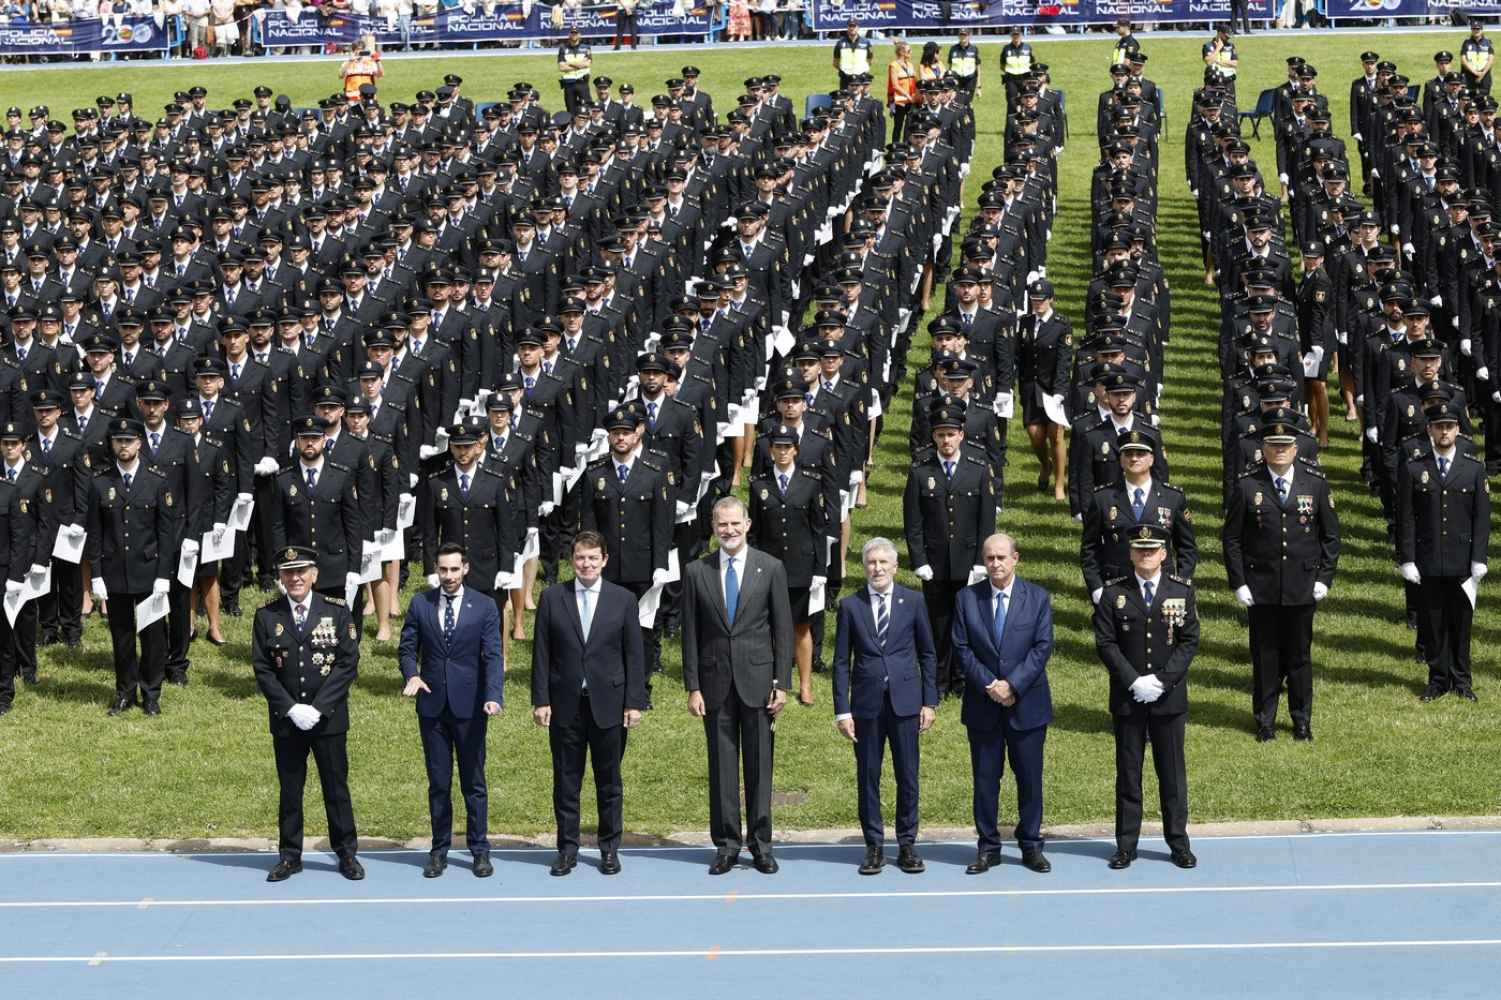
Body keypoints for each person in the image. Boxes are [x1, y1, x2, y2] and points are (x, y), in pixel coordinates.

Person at [682, 496, 794, 875]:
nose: (728, 531)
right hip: (714, 683)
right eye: (721, 524)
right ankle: (727, 844)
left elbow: (783, 630)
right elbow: (691, 636)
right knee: (722, 769)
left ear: (747, 524)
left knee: (760, 766)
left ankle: (761, 845)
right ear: (713, 528)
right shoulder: (697, 571)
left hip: (760, 683)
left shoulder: (771, 567)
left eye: (734, 524)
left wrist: (782, 683)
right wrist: (693, 686)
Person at [531, 531, 647, 877]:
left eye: (593, 557)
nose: (587, 564)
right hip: (565, 704)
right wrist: (540, 700)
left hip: (609, 705)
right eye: (581, 558)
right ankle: (567, 849)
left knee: (609, 781)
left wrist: (634, 702)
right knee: (567, 782)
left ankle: (609, 849)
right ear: (572, 561)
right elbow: (542, 653)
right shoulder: (553, 597)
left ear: (604, 560)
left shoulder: (623, 600)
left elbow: (634, 655)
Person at [1222, 414, 1340, 742]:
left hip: (1303, 586)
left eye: (1285, 445)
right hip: (1261, 587)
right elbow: (1231, 538)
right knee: (1265, 655)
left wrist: (1324, 578)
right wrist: (1239, 582)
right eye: (1273, 445)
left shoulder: (1314, 483)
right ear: (1263, 448)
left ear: (1296, 447)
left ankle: (1302, 720)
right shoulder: (1248, 484)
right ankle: (1265, 720)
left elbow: (1331, 536)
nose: (1280, 451)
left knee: (1300, 655)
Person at [250, 545, 363, 883]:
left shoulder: (338, 611)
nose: (295, 578)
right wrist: (290, 708)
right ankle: (289, 856)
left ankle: (346, 855)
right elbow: (262, 667)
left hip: (327, 718)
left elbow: (347, 663)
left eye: (301, 572)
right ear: (281, 578)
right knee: (290, 790)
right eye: (288, 573)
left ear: (314, 575)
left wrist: (318, 707)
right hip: (288, 720)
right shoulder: (267, 615)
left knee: (336, 789)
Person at [1093, 524, 1199, 871]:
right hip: (1129, 698)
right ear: (1131, 554)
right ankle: (1126, 845)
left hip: (1168, 699)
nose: (1145, 555)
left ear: (1164, 554)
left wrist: (1163, 681)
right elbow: (1106, 643)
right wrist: (1133, 681)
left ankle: (1178, 843)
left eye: (1152, 550)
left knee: (1172, 775)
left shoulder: (1181, 591)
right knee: (1128, 775)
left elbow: (1189, 641)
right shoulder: (1114, 594)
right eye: (1139, 550)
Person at [831, 537, 937, 875]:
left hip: (906, 704)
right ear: (864, 567)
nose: (877, 568)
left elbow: (928, 654)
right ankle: (874, 846)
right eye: (871, 563)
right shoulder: (851, 606)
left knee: (908, 777)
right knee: (868, 777)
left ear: (895, 566)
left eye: (883, 563)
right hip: (866, 707)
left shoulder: (914, 601)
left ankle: (907, 844)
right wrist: (842, 709)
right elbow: (841, 663)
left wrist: (929, 701)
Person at [398, 542, 504, 879]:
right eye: (443, 570)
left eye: (454, 569)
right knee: (438, 783)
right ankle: (439, 850)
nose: (448, 576)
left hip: (471, 707)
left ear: (466, 569)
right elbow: (407, 647)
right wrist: (411, 674)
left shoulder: (485, 606)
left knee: (473, 783)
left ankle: (479, 850)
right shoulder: (420, 603)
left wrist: (493, 695)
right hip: (432, 708)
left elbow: (492, 655)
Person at [950, 532, 1054, 875]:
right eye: (989, 558)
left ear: (1015, 559)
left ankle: (1030, 846)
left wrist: (1013, 685)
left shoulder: (1037, 598)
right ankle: (988, 847)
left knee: (1029, 780)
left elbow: (1042, 647)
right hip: (983, 706)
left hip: (1027, 705)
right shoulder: (967, 599)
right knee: (985, 780)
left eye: (1001, 557)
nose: (995, 564)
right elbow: (961, 648)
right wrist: (988, 684)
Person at [1395, 401, 1490, 702]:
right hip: (1429, 560)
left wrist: (1479, 558)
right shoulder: (1414, 468)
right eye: (1439, 426)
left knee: (1461, 624)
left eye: (1449, 426)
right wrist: (1407, 558)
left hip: (1463, 560)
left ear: (1458, 430)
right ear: (1429, 430)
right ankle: (1437, 680)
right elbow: (1405, 518)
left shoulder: (1474, 469)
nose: (1444, 431)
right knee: (1433, 623)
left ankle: (1461, 680)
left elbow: (1482, 518)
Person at [85, 418, 179, 717]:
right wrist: (97, 574)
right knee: (121, 636)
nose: (123, 446)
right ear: (112, 444)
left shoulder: (157, 479)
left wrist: (164, 575)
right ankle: (125, 692)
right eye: (118, 441)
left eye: (129, 440)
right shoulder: (100, 481)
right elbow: (95, 533)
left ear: (140, 443)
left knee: (152, 638)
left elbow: (166, 533)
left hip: (149, 572)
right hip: (115, 573)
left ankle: (151, 693)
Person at [887, 40, 918, 145]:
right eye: (909, 51)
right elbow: (895, 85)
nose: (911, 53)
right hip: (899, 101)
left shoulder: (910, 65)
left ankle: (907, 147)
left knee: (909, 126)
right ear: (901, 52)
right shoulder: (894, 66)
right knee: (898, 126)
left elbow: (915, 81)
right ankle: (895, 148)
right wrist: (907, 95)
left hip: (911, 100)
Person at [557, 28, 592, 116]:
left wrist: (569, 63)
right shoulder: (563, 48)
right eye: (572, 33)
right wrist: (579, 66)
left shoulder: (586, 48)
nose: (574, 35)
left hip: (582, 82)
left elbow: (587, 64)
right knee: (570, 109)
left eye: (576, 33)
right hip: (569, 84)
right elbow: (561, 67)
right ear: (569, 35)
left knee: (586, 108)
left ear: (579, 35)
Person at [833, 18, 873, 90]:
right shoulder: (840, 43)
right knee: (845, 99)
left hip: (861, 76)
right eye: (850, 26)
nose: (852, 28)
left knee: (860, 99)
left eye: (854, 26)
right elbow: (835, 62)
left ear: (858, 28)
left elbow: (870, 60)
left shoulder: (866, 42)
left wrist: (862, 69)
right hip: (845, 77)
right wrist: (844, 70)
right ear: (847, 27)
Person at [1202, 24, 1239, 101]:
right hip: (1213, 81)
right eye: (1226, 36)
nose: (1228, 38)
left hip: (1229, 80)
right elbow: (1209, 62)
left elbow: (1235, 63)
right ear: (1219, 33)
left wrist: (1218, 62)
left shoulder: (1231, 46)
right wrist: (1218, 48)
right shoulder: (1208, 46)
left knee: (1230, 104)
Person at [1001, 27, 1034, 111]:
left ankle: (1026, 120)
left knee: (1027, 100)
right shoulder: (1006, 48)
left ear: (1021, 35)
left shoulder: (1027, 47)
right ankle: (1013, 120)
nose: (1016, 37)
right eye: (1014, 35)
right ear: (1011, 36)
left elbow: (1032, 62)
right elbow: (1002, 64)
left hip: (1025, 78)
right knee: (1012, 101)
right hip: (1011, 78)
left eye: (1017, 35)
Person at [1463, 19, 1495, 96]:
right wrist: (1475, 72)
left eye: (1478, 29)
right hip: (1470, 76)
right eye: (1474, 28)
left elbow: (1491, 59)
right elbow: (1463, 60)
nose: (1476, 30)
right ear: (1471, 29)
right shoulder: (1466, 43)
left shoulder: (1487, 42)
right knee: (1470, 101)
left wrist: (1482, 74)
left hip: (1485, 76)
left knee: (1484, 100)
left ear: (1481, 30)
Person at [947, 28, 979, 99]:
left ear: (969, 36)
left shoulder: (974, 49)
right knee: (956, 101)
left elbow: (978, 68)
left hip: (970, 79)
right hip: (956, 80)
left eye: (965, 35)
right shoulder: (953, 49)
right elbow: (950, 66)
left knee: (968, 102)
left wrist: (978, 86)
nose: (963, 37)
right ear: (958, 36)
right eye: (961, 35)